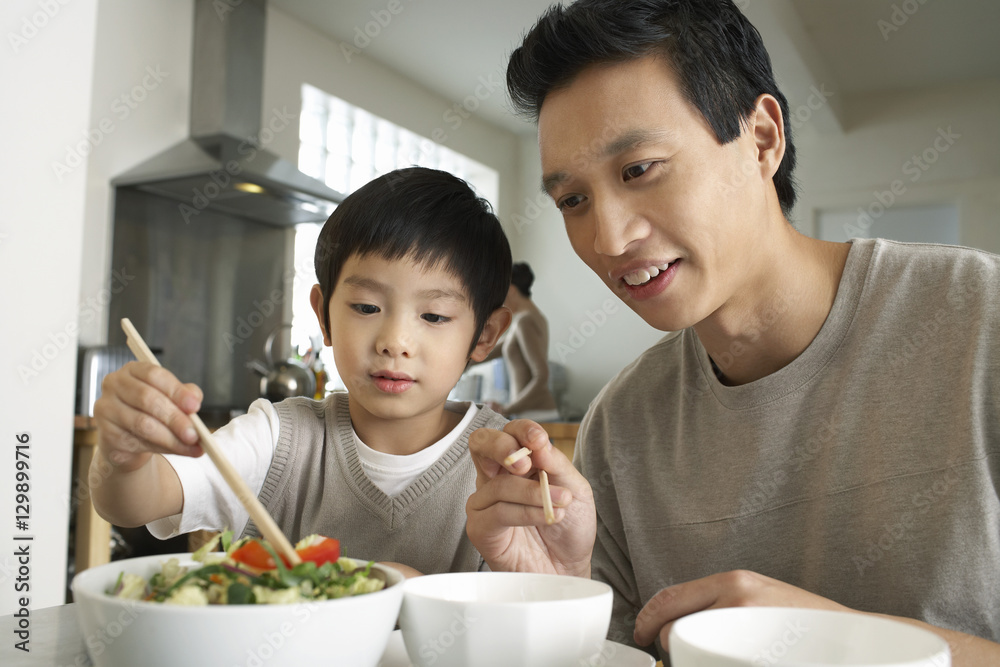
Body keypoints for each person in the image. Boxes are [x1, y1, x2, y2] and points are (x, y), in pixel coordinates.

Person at [465, 1, 1000, 664]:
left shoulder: (981, 320)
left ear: (762, 139)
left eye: (639, 169)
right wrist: (561, 601)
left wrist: (846, 642)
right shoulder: (623, 424)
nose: (608, 237)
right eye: (573, 199)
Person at [92, 167, 513, 577]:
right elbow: (136, 503)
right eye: (366, 307)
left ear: (484, 335)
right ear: (323, 316)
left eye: (435, 316)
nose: (395, 341)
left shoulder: (503, 463)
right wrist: (122, 458)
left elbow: (527, 615)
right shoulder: (278, 440)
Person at [480, 262, 561, 421]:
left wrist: (506, 408)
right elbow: (488, 350)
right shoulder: (532, 318)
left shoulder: (525, 321)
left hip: (537, 416)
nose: (500, 302)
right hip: (534, 415)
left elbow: (541, 376)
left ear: (511, 290)